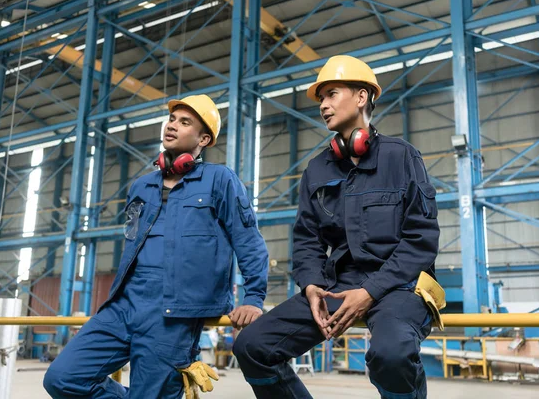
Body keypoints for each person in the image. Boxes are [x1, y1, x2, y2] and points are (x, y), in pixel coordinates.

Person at [233, 55, 442, 399]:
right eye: (321, 99)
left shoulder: (401, 157)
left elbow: (420, 240)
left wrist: (371, 291)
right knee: (252, 346)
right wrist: (312, 284)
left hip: (398, 287)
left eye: (331, 94)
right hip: (336, 287)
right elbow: (307, 239)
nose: (324, 105)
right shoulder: (317, 169)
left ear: (362, 97)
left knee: (391, 355)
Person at [44, 94, 269, 398]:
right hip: (124, 304)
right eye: (172, 119)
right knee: (62, 378)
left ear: (204, 139)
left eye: (184, 122)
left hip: (174, 314)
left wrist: (253, 298)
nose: (172, 125)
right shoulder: (142, 186)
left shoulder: (219, 180)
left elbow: (248, 240)